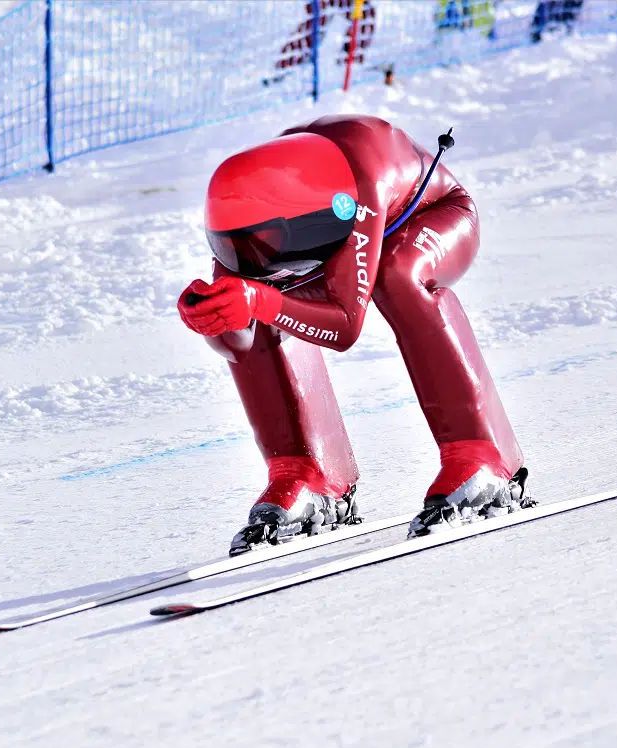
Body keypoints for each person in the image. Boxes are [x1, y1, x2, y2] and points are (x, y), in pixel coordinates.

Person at [178, 114, 530, 557]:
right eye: (232, 246)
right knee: (254, 293)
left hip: (432, 213)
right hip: (340, 217)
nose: (250, 255)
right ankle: (306, 470)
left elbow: (345, 327)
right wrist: (213, 318)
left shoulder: (359, 186)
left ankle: (480, 454)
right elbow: (240, 335)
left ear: (305, 221)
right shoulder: (251, 221)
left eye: (264, 244)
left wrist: (260, 301)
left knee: (397, 273)